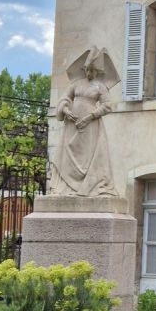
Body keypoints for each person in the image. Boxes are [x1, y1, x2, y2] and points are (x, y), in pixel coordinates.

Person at [49, 46, 117, 198]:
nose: (88, 73)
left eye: (92, 70)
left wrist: (90, 117)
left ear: (97, 71)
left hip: (91, 126)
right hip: (71, 124)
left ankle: (87, 187)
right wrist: (66, 110)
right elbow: (64, 99)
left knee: (89, 156)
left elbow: (108, 106)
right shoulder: (76, 84)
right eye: (87, 70)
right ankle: (66, 188)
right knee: (66, 154)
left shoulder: (101, 87)